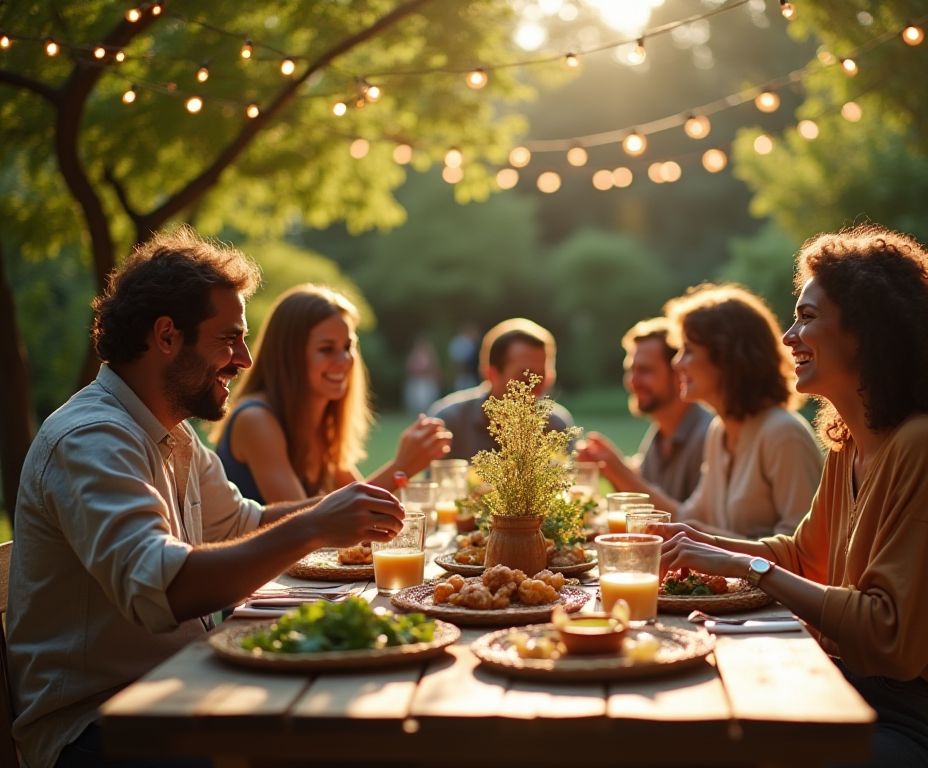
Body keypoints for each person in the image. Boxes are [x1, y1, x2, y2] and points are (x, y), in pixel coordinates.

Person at [7, 228, 406, 768]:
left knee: (362, 711)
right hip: (98, 727)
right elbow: (164, 589)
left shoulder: (172, 432)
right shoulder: (91, 438)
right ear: (167, 335)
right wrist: (315, 526)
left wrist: (335, 509)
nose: (243, 359)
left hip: (180, 688)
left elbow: (244, 522)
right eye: (229, 338)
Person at [657, 225, 928, 767]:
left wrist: (743, 564)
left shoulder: (925, 446)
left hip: (918, 723)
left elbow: (891, 636)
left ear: (867, 330)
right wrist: (698, 543)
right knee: (688, 725)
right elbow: (803, 557)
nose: (790, 335)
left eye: (808, 317)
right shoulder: (849, 443)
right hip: (846, 689)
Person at [211, 285, 451, 504]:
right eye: (326, 349)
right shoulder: (255, 419)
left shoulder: (320, 422)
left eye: (347, 347)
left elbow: (355, 501)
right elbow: (303, 524)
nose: (344, 360)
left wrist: (405, 467)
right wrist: (401, 468)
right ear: (289, 356)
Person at [662, 283, 823, 538]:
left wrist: (707, 540)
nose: (676, 362)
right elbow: (688, 520)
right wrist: (616, 473)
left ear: (727, 357)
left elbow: (805, 549)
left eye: (688, 350)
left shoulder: (783, 434)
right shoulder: (719, 431)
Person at [577, 317, 712, 503]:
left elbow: (692, 521)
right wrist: (609, 469)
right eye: (630, 370)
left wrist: (620, 471)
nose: (632, 381)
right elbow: (640, 509)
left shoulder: (707, 436)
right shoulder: (658, 436)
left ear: (679, 373)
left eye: (645, 370)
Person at [428, 317, 573, 460]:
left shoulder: (556, 426)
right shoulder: (450, 422)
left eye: (542, 377)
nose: (535, 388)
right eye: (524, 379)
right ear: (491, 374)